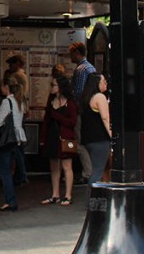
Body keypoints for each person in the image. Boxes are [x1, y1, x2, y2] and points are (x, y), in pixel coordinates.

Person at [40, 75, 78, 206]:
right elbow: (46, 120)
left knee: (67, 166)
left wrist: (58, 117)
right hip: (52, 136)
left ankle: (68, 195)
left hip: (65, 137)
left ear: (60, 87)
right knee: (54, 166)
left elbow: (72, 122)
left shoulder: (70, 103)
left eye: (53, 85)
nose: (51, 87)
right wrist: (43, 138)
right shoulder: (51, 101)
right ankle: (55, 194)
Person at [0, 75, 27, 211]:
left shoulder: (7, 102)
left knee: (4, 171)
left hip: (6, 139)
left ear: (6, 87)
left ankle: (10, 200)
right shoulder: (20, 101)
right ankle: (13, 195)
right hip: (17, 139)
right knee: (13, 167)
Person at [79, 73, 112, 187]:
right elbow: (105, 117)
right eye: (103, 81)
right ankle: (92, 200)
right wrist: (111, 134)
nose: (106, 83)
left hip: (88, 139)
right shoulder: (99, 97)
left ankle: (100, 196)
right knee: (98, 171)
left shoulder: (86, 98)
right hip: (100, 138)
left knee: (99, 168)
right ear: (97, 83)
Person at [69, 42, 95, 182]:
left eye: (71, 53)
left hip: (81, 110)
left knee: (79, 143)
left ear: (77, 53)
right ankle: (91, 170)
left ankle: (87, 172)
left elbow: (78, 93)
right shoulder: (91, 67)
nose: (70, 56)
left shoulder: (80, 70)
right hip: (91, 110)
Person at [2, 55, 30, 186]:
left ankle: (21, 174)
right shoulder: (22, 76)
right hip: (21, 109)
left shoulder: (17, 77)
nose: (9, 67)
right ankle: (21, 174)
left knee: (16, 147)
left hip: (16, 112)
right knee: (18, 147)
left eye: (11, 63)